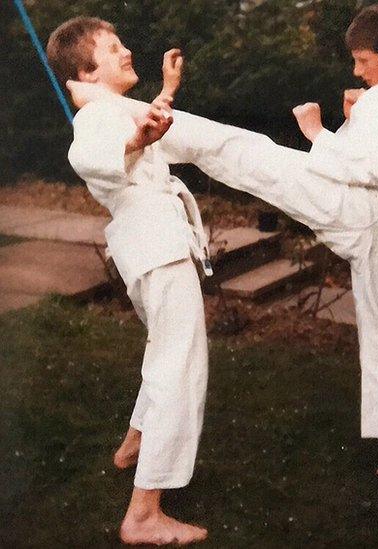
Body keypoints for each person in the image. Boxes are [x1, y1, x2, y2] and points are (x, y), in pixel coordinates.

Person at [68, 1, 378, 505]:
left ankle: (94, 97)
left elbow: (368, 166)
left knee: (243, 150)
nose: (356, 70)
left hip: (359, 204)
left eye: (362, 60)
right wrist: (355, 120)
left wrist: (317, 129)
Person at [47, 17, 210, 545]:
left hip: (152, 246)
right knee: (179, 366)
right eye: (112, 48)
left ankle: (134, 444)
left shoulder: (112, 109)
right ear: (86, 71)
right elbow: (88, 154)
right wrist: (132, 143)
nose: (126, 51)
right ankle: (144, 512)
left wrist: (166, 92)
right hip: (157, 248)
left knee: (166, 351)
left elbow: (145, 123)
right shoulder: (96, 116)